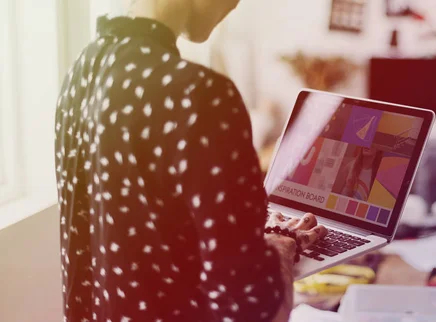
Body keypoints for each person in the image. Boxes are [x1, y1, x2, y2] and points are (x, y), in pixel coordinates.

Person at [54, 1, 327, 321]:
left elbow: (148, 231)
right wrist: (282, 244)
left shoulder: (83, 70)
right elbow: (253, 309)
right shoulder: (201, 95)